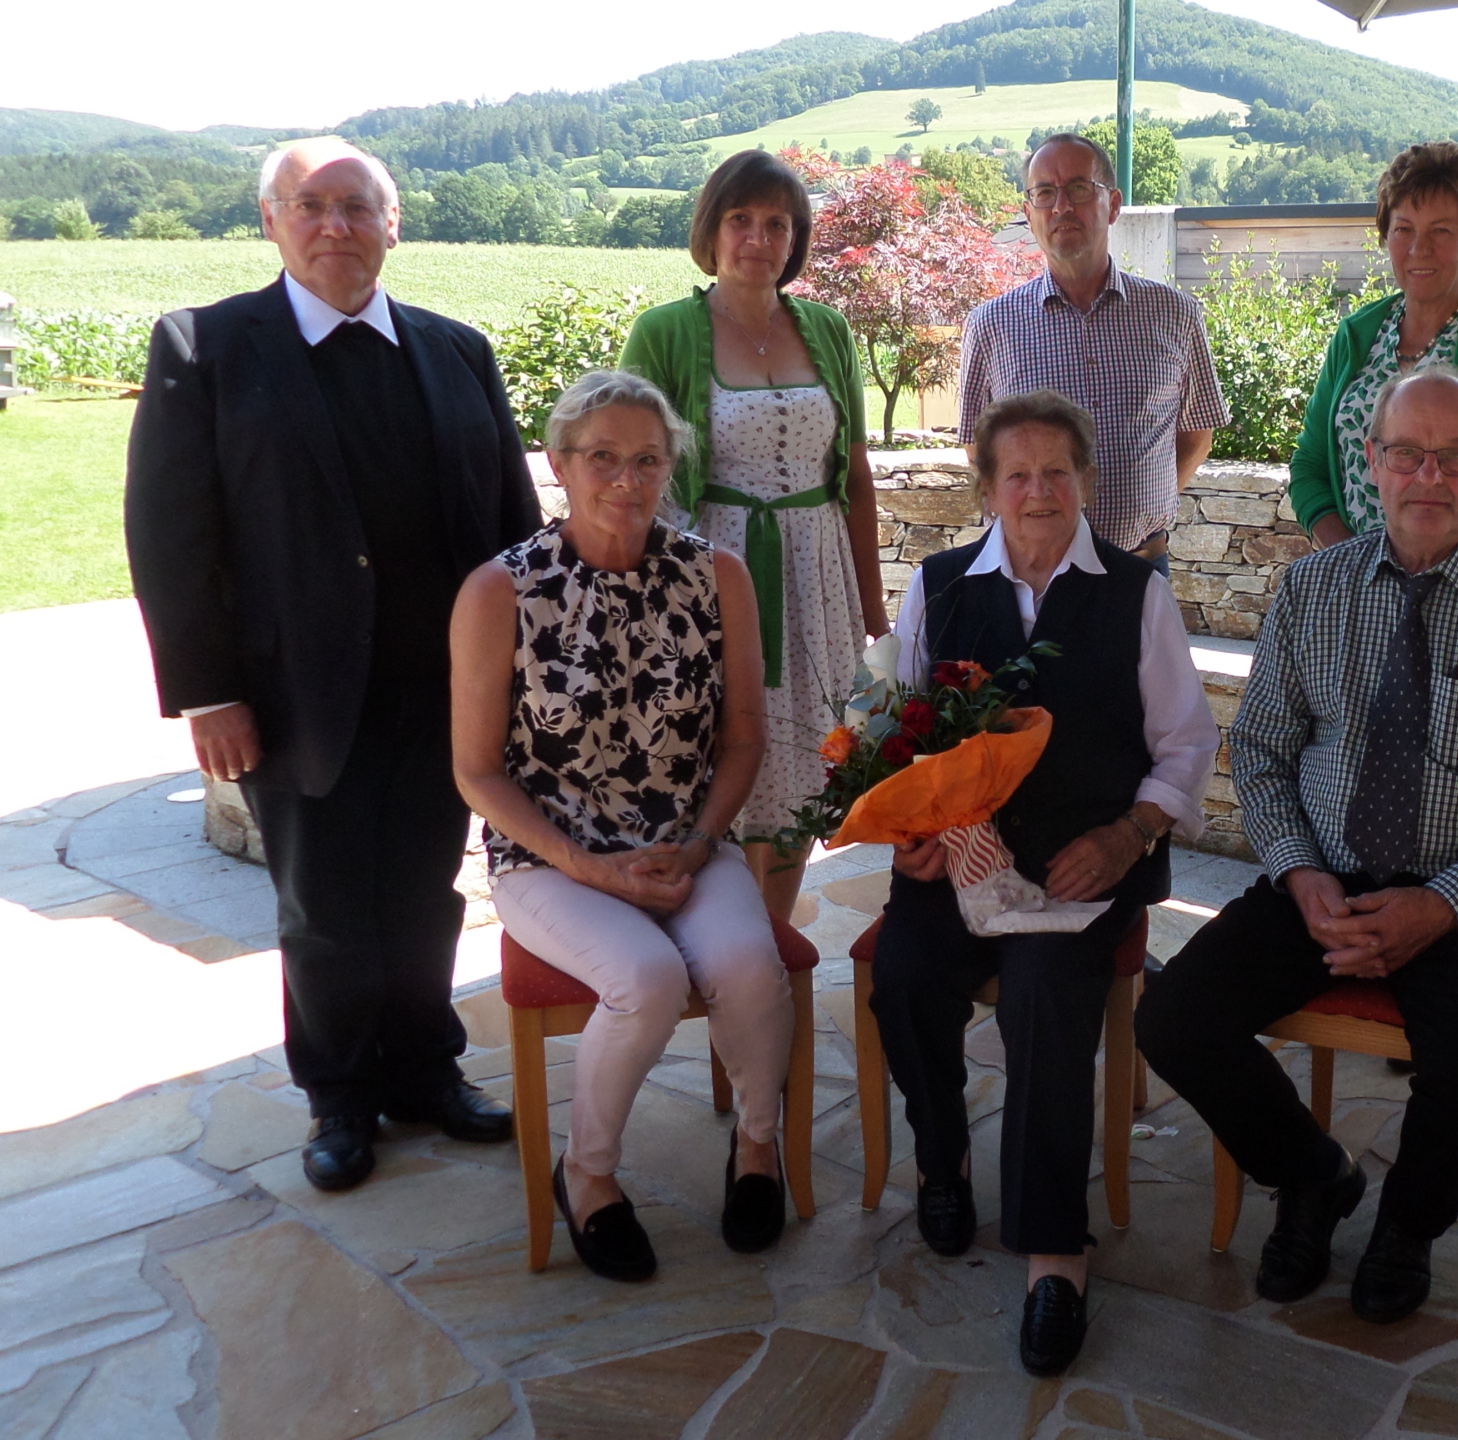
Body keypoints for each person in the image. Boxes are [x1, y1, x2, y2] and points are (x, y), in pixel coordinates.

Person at [1137, 366, 1458, 1325]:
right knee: (1174, 1017)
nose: (1430, 476)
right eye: (1407, 454)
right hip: (1323, 881)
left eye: (1454, 456)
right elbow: (1263, 751)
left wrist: (1444, 904)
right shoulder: (1312, 588)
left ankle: (1406, 1225)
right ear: (1372, 463)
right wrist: (1300, 874)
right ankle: (1315, 1178)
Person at [124, 138, 538, 1193]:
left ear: (393, 224)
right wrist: (209, 693)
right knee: (323, 909)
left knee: (425, 892)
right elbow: (169, 535)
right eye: (308, 206)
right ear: (271, 222)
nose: (334, 225)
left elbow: (512, 527)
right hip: (292, 694)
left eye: (356, 206)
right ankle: (342, 1094)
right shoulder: (205, 348)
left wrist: (526, 672)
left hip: (443, 690)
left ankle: (426, 1070)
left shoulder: (458, 351)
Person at [873, 390, 1218, 1374]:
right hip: (961, 857)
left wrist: (1127, 833)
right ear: (987, 487)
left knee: (1045, 998)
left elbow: (1186, 742)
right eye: (1017, 474)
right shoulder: (940, 586)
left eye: (1056, 472)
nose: (1037, 492)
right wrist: (910, 828)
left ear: (1086, 483)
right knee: (904, 976)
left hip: (1082, 866)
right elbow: (891, 727)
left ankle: (1054, 1254)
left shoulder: (1134, 592)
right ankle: (943, 1163)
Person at [447, 372, 793, 1280]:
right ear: (560, 462)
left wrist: (702, 841)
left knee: (747, 965)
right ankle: (588, 1174)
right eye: (603, 457)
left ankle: (759, 1147)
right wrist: (591, 868)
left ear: (670, 467)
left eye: (647, 460)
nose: (626, 480)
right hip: (549, 859)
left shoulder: (715, 576)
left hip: (686, 842)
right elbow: (477, 771)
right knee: (644, 978)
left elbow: (744, 737)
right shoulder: (499, 590)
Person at [620, 150, 891, 928]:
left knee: (814, 760)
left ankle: (774, 934)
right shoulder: (664, 331)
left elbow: (856, 476)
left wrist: (873, 614)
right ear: (712, 230)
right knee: (725, 754)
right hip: (710, 583)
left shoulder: (829, 329)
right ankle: (730, 940)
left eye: (777, 224)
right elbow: (630, 473)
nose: (758, 239)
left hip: (818, 581)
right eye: (741, 219)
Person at [957, 132, 1228, 566]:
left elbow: (1197, 430)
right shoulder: (991, 325)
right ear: (1029, 214)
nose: (1061, 206)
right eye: (1045, 193)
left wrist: (1150, 502)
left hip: (1140, 566)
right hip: (1034, 574)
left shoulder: (1175, 314)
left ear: (1113, 205)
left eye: (1079, 188)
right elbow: (978, 446)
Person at [1287, 142, 1458, 553]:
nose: (1419, 248)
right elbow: (1309, 466)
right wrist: (1352, 562)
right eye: (1403, 230)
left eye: (1440, 231)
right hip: (1358, 579)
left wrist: (1427, 565)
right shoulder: (1356, 334)